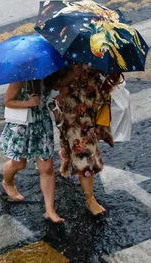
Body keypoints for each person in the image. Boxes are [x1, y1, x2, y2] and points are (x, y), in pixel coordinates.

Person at [49, 64, 121, 217]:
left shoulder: (95, 47)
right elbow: (52, 84)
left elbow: (105, 70)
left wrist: (113, 76)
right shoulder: (60, 54)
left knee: (70, 140)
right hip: (72, 109)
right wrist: (70, 76)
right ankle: (90, 199)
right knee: (85, 152)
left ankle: (66, 158)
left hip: (94, 103)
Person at [0, 79, 64, 223]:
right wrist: (28, 103)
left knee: (47, 168)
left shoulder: (48, 74)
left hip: (42, 124)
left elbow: (59, 84)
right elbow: (8, 101)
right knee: (18, 164)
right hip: (22, 125)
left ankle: (50, 210)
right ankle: (7, 182)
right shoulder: (20, 78)